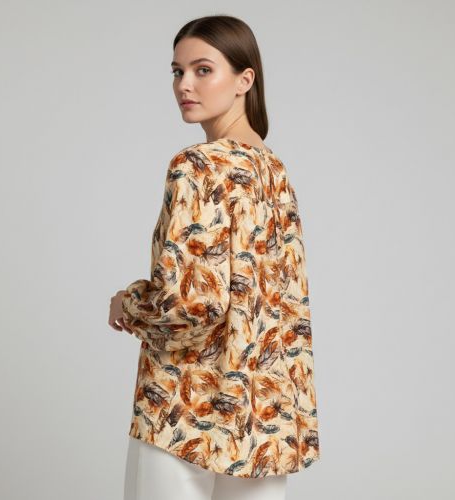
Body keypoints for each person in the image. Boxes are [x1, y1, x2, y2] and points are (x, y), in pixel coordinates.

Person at [108, 14, 320, 500]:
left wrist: (129, 304)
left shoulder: (197, 166)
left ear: (245, 80)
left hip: (183, 410)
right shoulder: (274, 171)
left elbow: (191, 304)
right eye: (177, 71)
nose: (184, 84)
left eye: (203, 70)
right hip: (263, 417)